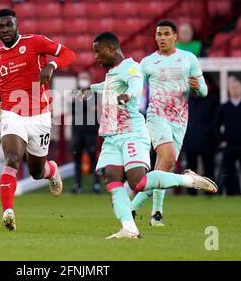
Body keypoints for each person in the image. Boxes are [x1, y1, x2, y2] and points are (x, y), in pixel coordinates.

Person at [80, 32, 216, 239]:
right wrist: (91, 89)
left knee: (138, 182)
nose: (96, 57)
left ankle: (188, 180)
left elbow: (136, 84)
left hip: (132, 133)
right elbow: (109, 87)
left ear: (111, 49)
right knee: (112, 179)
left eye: (98, 52)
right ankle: (129, 229)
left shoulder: (131, 66)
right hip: (111, 135)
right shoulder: (113, 71)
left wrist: (129, 95)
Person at [0, 8, 76, 231]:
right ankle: (8, 212)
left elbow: (69, 53)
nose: (5, 30)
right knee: (11, 158)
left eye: (8, 25)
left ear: (17, 25)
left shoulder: (36, 42)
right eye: (0, 26)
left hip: (40, 116)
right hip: (12, 113)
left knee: (36, 171)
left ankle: (52, 171)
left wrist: (52, 65)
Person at [130, 20, 209, 226]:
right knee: (168, 157)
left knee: (165, 165)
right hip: (156, 116)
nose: (162, 38)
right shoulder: (147, 62)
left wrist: (197, 87)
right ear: (155, 37)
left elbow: (204, 90)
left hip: (180, 119)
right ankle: (131, 208)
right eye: (159, 34)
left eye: (166, 34)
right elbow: (135, 85)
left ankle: (155, 213)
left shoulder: (188, 59)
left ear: (175, 36)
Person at [215, 76, 241, 195]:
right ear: (228, 90)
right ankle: (230, 194)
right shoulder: (224, 107)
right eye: (232, 87)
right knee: (228, 172)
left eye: (237, 87)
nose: (235, 90)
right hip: (228, 144)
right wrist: (221, 140)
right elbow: (216, 125)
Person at [182, 73, 219, 194]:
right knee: (190, 168)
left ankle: (210, 192)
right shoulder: (187, 101)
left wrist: (212, 135)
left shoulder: (212, 101)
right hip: (190, 140)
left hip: (207, 141)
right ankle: (191, 193)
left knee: (209, 168)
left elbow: (216, 122)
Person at [71, 71, 100, 194]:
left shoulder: (95, 94)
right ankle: (78, 185)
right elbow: (73, 109)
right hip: (78, 132)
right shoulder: (75, 93)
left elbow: (96, 109)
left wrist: (84, 105)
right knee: (77, 158)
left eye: (85, 78)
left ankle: (97, 185)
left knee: (93, 159)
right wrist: (88, 106)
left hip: (91, 132)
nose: (83, 80)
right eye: (81, 78)